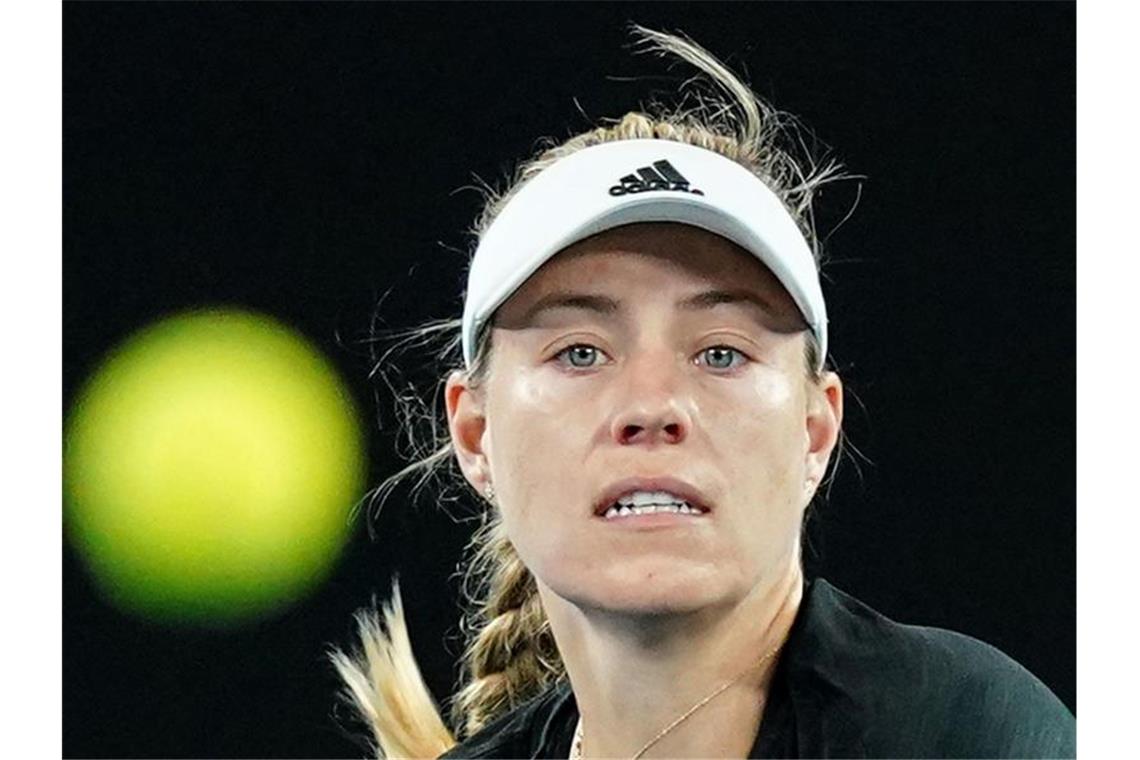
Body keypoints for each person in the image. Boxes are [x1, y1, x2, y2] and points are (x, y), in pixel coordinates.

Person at [331, 25, 1075, 760]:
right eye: (580, 353)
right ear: (474, 434)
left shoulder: (962, 730)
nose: (653, 406)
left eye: (721, 353)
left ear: (815, 430)